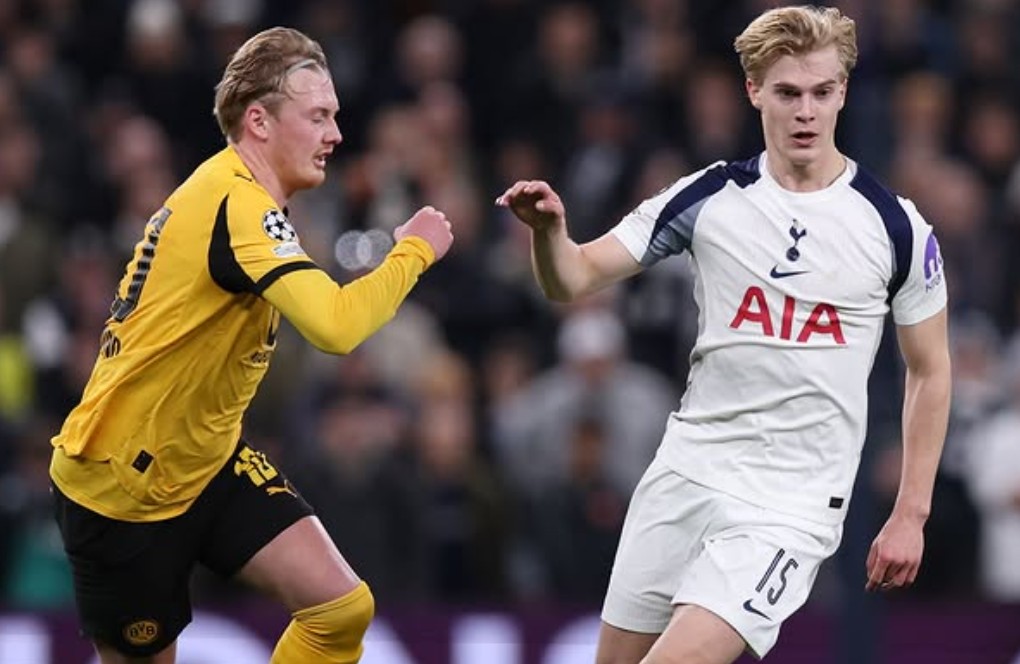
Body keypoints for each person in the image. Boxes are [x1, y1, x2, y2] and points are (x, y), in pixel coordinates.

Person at [497, 6, 950, 663]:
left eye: (821, 92)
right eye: (788, 93)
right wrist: (549, 234)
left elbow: (930, 368)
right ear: (754, 90)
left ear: (843, 93)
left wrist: (911, 511)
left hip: (789, 505)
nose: (806, 112)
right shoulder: (709, 197)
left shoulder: (896, 227)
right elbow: (574, 278)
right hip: (686, 472)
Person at [49, 27, 453, 664]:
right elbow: (335, 327)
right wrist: (415, 251)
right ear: (259, 121)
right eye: (318, 117)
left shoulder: (238, 194)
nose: (335, 134)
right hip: (123, 489)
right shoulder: (238, 206)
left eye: (335, 116)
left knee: (339, 609)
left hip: (203, 460)